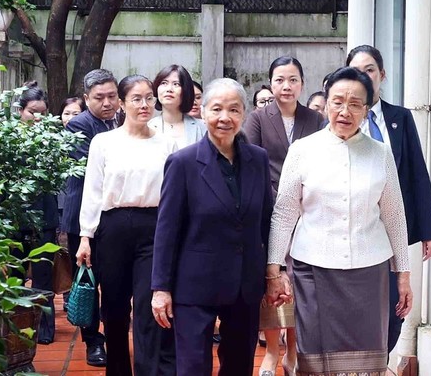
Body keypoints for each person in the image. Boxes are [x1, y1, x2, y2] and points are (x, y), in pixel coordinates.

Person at [265, 66, 413, 375]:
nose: (345, 111)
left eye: (355, 103)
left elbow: (394, 215)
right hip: (313, 268)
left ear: (367, 108)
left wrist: (403, 274)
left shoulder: (380, 153)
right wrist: (274, 269)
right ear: (326, 101)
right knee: (316, 355)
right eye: (337, 101)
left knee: (368, 357)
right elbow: (284, 213)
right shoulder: (303, 150)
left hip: (370, 270)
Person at [151, 78, 273, 375]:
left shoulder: (258, 159)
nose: (225, 118)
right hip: (195, 284)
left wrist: (274, 272)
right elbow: (167, 230)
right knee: (193, 366)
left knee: (239, 365)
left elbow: (267, 222)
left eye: (233, 110)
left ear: (244, 114)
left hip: (245, 283)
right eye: (216, 109)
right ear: (202, 113)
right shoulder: (183, 163)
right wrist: (160, 288)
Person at [75, 75, 177, 375]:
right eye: (136, 98)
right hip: (113, 228)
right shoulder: (103, 142)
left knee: (149, 309)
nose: (144, 105)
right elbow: (92, 191)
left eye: (149, 98)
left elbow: (172, 194)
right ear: (122, 103)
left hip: (153, 227)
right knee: (115, 310)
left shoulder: (167, 143)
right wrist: (85, 236)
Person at [346, 45, 431, 355]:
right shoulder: (340, 120)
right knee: (356, 309)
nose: (364, 76)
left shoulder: (400, 118)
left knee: (394, 310)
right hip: (354, 231)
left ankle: (377, 361)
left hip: (393, 231)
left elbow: (417, 174)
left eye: (370, 69)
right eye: (357, 70)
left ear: (382, 75)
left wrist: (429, 229)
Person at [243, 56, 323, 375]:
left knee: (300, 282)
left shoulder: (315, 120)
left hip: (307, 214)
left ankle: (293, 348)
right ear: (270, 83)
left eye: (292, 79)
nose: (286, 86)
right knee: (272, 280)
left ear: (302, 83)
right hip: (269, 212)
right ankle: (273, 351)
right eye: (279, 79)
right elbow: (250, 162)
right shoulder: (258, 118)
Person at [61, 69, 120, 367]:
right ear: (86, 99)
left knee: (113, 281)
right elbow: (97, 172)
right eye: (100, 98)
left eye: (112, 96)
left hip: (115, 218)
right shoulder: (78, 126)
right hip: (82, 217)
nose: (108, 103)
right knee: (86, 281)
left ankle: (114, 335)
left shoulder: (123, 120)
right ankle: (92, 342)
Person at [15, 82, 58, 344]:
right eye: (32, 112)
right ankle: (14, 326)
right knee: (14, 274)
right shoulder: (6, 139)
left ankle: (45, 329)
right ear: (20, 111)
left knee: (43, 277)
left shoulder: (53, 140)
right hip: (14, 217)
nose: (38, 118)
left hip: (45, 217)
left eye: (42, 112)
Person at [58, 97, 86, 309]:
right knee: (65, 255)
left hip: (75, 205)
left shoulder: (84, 139)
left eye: (76, 114)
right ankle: (71, 295)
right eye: (67, 113)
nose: (70, 118)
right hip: (64, 205)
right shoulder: (51, 141)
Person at [148, 65, 205, 148]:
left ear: (186, 90)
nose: (169, 89)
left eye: (176, 84)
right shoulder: (148, 127)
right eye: (164, 83)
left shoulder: (202, 128)